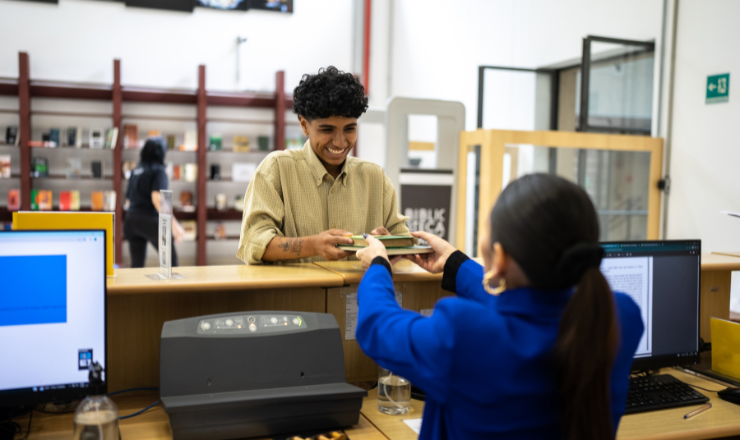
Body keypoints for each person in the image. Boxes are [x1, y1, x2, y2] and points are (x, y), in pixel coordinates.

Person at [354, 173, 644, 440]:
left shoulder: (463, 334)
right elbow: (530, 310)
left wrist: (378, 264)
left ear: (500, 258)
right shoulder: (618, 317)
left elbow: (378, 326)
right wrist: (456, 264)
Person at [237, 66, 410, 264]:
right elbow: (253, 242)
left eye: (349, 129)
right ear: (304, 125)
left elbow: (405, 243)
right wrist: (313, 245)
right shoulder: (276, 169)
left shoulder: (375, 177)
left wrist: (391, 245)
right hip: (297, 295)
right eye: (327, 129)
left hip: (360, 294)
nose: (339, 142)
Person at [123, 137, 184, 268]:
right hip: (150, 221)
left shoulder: (136, 171)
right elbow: (158, 200)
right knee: (171, 263)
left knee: (136, 265)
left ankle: (135, 288)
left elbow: (128, 201)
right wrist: (175, 226)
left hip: (131, 221)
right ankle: (173, 289)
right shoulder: (159, 171)